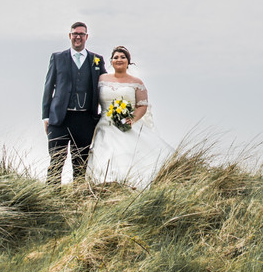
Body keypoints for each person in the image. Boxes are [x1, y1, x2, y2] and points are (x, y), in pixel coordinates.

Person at [86, 45, 174, 188]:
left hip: (127, 124)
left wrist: (131, 120)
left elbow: (142, 106)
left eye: (122, 57)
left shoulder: (136, 82)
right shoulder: (102, 79)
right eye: (116, 57)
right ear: (111, 61)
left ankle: (130, 185)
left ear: (128, 61)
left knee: (129, 155)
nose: (119, 59)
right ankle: (105, 186)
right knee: (105, 154)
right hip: (105, 125)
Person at [42, 21, 108, 184]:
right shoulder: (58, 57)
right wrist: (45, 116)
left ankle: (77, 199)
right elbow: (48, 86)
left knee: (81, 163)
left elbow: (106, 85)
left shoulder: (97, 60)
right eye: (75, 34)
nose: (78, 37)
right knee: (56, 160)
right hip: (59, 118)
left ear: (86, 37)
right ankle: (51, 198)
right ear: (70, 36)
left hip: (85, 119)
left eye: (81, 34)